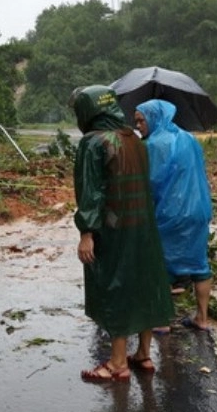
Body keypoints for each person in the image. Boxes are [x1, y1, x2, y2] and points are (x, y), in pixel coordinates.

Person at [69, 86, 174, 381]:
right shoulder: (136, 140)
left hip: (113, 231)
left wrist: (86, 233)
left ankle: (117, 363)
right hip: (143, 228)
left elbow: (91, 193)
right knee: (145, 285)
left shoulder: (93, 143)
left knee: (115, 287)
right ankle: (143, 353)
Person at [135, 99, 215, 332]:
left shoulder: (153, 145)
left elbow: (150, 182)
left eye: (141, 120)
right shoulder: (189, 138)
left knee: (159, 264)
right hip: (198, 210)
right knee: (199, 264)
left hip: (170, 213)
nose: (138, 126)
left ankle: (161, 321)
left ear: (154, 118)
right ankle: (202, 317)